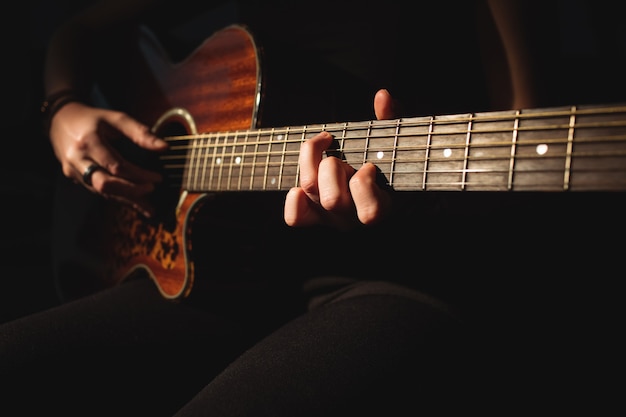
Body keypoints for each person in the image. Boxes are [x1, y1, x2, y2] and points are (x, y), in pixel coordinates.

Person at [2, 0, 623, 415]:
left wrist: (408, 202)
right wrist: (62, 108)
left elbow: (533, 185)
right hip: (216, 273)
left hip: (398, 277)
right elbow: (77, 33)